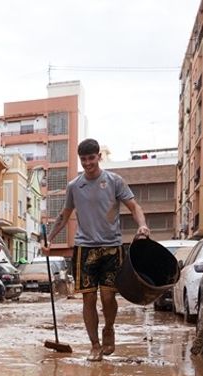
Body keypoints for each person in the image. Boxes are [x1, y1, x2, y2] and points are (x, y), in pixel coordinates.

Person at [47, 138, 149, 361]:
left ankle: (109, 328)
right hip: (84, 248)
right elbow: (64, 214)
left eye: (91, 158)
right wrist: (50, 239)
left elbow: (134, 206)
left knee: (108, 296)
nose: (87, 163)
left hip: (112, 247)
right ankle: (94, 345)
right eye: (83, 159)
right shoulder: (75, 186)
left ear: (99, 157)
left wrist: (142, 225)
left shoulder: (114, 181)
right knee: (88, 299)